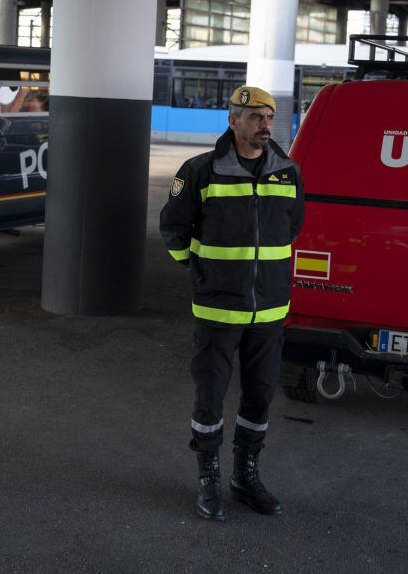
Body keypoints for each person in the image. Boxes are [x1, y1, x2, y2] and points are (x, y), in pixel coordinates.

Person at [160, 85, 305, 521]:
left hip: (270, 311)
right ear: (233, 120)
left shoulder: (288, 173)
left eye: (269, 117)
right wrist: (200, 271)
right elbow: (173, 230)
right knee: (210, 400)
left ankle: (245, 477)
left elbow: (292, 228)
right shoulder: (200, 171)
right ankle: (209, 479)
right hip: (218, 311)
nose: (265, 125)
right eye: (256, 116)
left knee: (259, 398)